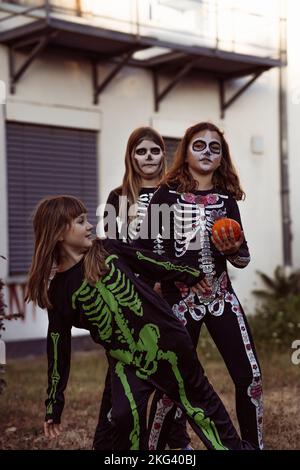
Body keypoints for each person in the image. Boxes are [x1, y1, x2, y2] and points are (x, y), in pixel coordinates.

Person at [25, 195, 254, 450]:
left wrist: (190, 273)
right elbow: (58, 349)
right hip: (126, 361)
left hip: (167, 342)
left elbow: (149, 261)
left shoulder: (106, 250)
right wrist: (53, 404)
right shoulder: (58, 292)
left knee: (201, 407)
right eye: (81, 222)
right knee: (124, 416)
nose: (90, 226)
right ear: (58, 232)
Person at [134, 122, 263, 450]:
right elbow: (144, 251)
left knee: (251, 379)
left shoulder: (227, 199)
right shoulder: (166, 196)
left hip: (221, 298)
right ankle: (158, 453)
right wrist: (163, 285)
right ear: (186, 152)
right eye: (199, 145)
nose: (207, 152)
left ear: (222, 159)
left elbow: (242, 259)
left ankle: (252, 447)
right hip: (179, 303)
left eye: (215, 147)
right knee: (171, 386)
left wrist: (234, 250)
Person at [94, 126, 191, 450]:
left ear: (164, 154)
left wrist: (170, 282)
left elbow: (184, 244)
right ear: (131, 157)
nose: (148, 158)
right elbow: (109, 249)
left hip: (172, 292)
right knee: (120, 369)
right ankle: (109, 442)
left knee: (175, 367)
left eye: (154, 151)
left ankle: (175, 440)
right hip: (131, 295)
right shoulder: (117, 198)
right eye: (141, 151)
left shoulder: (178, 194)